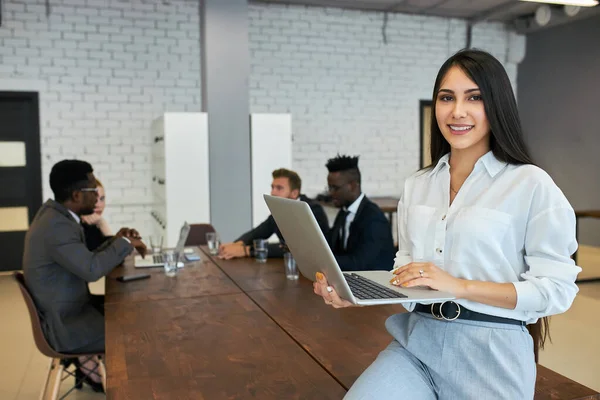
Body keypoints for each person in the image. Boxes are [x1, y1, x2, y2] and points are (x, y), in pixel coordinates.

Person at [314, 49, 581, 399]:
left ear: (497, 106)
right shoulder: (418, 184)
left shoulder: (531, 184)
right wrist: (359, 296)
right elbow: (405, 268)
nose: (457, 111)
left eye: (474, 97)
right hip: (416, 341)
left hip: (492, 350)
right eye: (446, 97)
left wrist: (459, 286)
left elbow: (557, 290)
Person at [22, 160, 147, 392]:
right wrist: (126, 243)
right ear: (77, 195)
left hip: (71, 313)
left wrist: (115, 241)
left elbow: (84, 259)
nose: (97, 198)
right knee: (141, 331)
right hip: (67, 327)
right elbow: (91, 270)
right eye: (93, 192)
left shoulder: (55, 216)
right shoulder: (57, 227)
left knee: (135, 313)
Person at [219, 168, 329, 259]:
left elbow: (295, 248)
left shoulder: (313, 210)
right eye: (272, 187)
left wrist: (246, 250)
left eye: (279, 188)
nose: (273, 192)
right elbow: (258, 232)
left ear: (294, 193)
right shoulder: (280, 209)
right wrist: (237, 244)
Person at [325, 154, 395, 271]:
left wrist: (325, 261)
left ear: (352, 186)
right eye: (329, 188)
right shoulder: (344, 213)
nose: (331, 193)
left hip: (374, 285)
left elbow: (360, 263)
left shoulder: (374, 219)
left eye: (335, 188)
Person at [81, 178, 112, 251]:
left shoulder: (94, 227)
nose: (98, 205)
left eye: (102, 199)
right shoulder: (77, 229)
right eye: (93, 198)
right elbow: (114, 256)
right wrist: (102, 224)